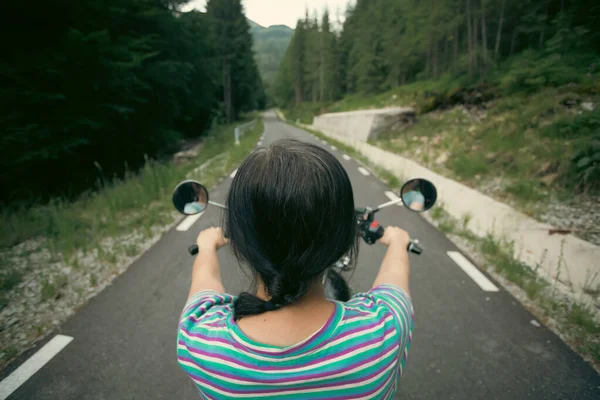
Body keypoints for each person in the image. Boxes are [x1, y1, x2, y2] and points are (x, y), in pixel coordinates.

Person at [177, 139, 413, 399]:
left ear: (242, 241)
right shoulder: (385, 329)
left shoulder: (199, 340)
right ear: (343, 237)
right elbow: (394, 279)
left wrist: (208, 246)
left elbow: (204, 281)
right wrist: (397, 243)